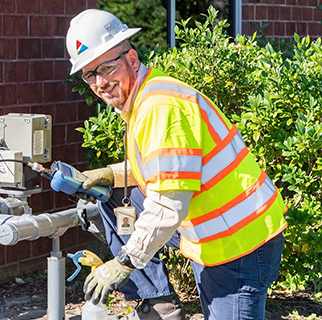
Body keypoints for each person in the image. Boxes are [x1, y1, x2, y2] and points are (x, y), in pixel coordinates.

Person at [66, 9, 287, 320]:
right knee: (111, 195)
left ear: (131, 58)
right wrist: (109, 175)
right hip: (216, 228)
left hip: (239, 241)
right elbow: (166, 169)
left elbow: (168, 205)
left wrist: (126, 261)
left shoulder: (159, 106)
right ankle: (159, 305)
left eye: (106, 67)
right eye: (91, 74)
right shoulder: (144, 97)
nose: (100, 82)